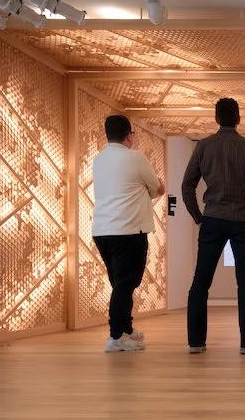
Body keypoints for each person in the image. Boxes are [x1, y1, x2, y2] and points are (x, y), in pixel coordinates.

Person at [182, 98, 245, 355]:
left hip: (212, 219)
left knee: (201, 281)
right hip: (242, 221)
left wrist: (198, 217)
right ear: (239, 119)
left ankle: (196, 342)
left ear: (216, 119)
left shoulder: (203, 146)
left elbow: (187, 185)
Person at [91, 115, 165, 353]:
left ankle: (126, 330)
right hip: (128, 230)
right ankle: (115, 337)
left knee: (120, 284)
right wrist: (148, 189)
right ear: (129, 136)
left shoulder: (99, 160)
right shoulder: (135, 157)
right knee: (125, 284)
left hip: (102, 231)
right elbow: (158, 188)